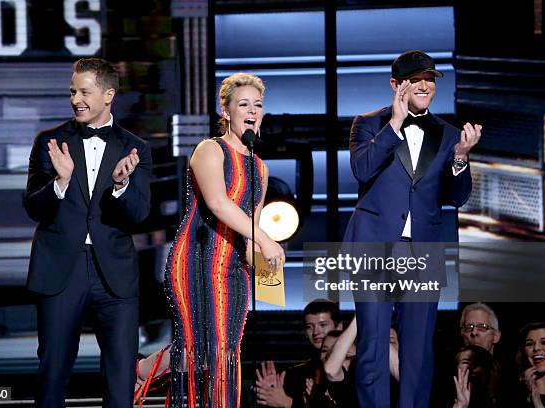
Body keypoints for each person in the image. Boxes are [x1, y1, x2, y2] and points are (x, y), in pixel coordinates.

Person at [343, 50, 482, 407]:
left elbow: (458, 197)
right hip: (374, 245)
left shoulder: (449, 134)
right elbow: (361, 169)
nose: (424, 86)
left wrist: (462, 158)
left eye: (429, 80)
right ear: (396, 85)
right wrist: (394, 124)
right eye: (415, 79)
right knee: (373, 343)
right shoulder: (369, 124)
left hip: (423, 249)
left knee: (418, 347)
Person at [24, 58, 152, 407]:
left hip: (115, 274)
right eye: (72, 91)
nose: (75, 98)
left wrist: (121, 185)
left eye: (84, 91)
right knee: (53, 373)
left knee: (121, 374)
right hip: (61, 271)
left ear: (109, 94)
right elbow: (33, 207)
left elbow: (140, 213)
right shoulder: (50, 141)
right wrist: (60, 183)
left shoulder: (135, 147)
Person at [164, 72, 285, 408]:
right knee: (207, 351)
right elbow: (218, 203)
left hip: (234, 270)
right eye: (244, 104)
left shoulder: (260, 167)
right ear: (226, 111)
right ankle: (144, 369)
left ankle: (144, 369)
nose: (252, 110)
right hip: (197, 260)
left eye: (258, 105)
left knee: (224, 350)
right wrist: (265, 239)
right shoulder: (210, 150)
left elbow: (250, 230)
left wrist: (265, 257)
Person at [255, 299, 342, 407]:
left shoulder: (353, 367)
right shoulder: (295, 375)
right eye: (309, 327)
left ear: (339, 327)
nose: (315, 332)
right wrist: (270, 394)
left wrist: (288, 403)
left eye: (323, 325)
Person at [515, 322, 545, 407]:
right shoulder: (514, 390)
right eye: (529, 344)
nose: (536, 348)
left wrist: (537, 402)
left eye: (544, 342)